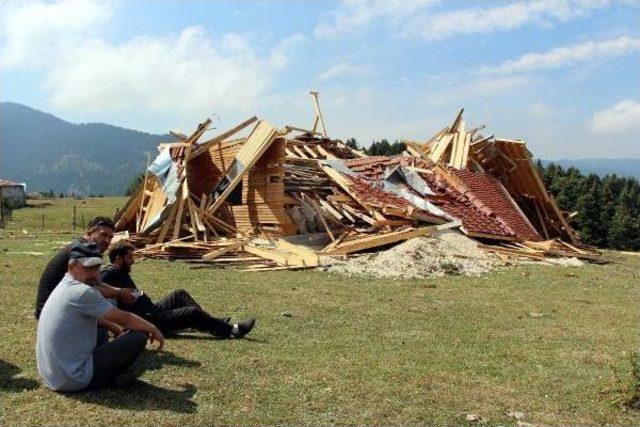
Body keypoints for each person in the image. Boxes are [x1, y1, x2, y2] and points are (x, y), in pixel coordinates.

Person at [36, 242, 164, 391]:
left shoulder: (64, 284)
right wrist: (153, 328)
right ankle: (111, 376)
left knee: (102, 328)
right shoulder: (82, 291)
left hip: (52, 377)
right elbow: (126, 319)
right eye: (89, 268)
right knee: (139, 335)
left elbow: (94, 317)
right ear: (71, 267)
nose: (95, 275)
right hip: (75, 378)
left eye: (97, 268)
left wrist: (113, 327)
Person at [100, 240, 255, 339]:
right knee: (191, 313)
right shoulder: (109, 273)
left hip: (153, 310)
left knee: (180, 294)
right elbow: (98, 294)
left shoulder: (120, 272)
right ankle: (233, 330)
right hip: (150, 320)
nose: (133, 261)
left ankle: (209, 322)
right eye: (129, 258)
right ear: (118, 258)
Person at [35, 216, 135, 319]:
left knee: (109, 301)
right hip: (52, 311)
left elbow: (95, 283)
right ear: (89, 233)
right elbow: (94, 289)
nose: (107, 240)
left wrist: (120, 291)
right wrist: (120, 293)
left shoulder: (83, 247)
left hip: (60, 304)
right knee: (105, 304)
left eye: (110, 237)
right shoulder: (82, 250)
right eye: (103, 235)